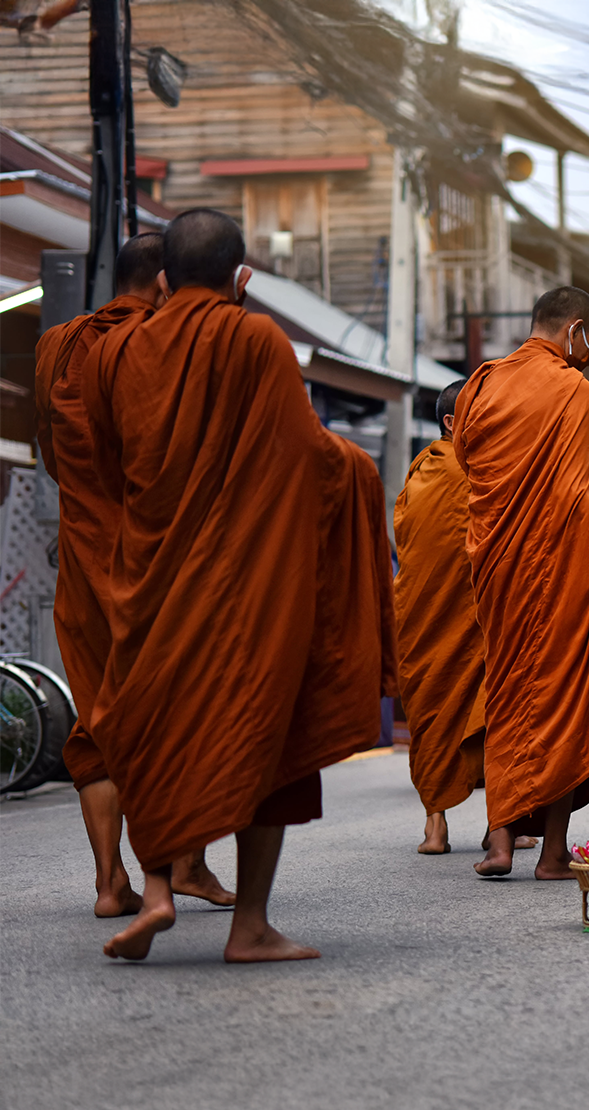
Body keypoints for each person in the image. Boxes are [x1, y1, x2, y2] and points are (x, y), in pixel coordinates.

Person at [83, 208, 397, 961]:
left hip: (148, 582)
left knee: (153, 729)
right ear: (239, 275)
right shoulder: (254, 337)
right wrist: (359, 470)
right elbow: (303, 455)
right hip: (242, 584)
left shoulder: (117, 351)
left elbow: (102, 465)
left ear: (163, 278)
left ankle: (155, 893)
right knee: (269, 741)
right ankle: (249, 927)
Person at [33, 233, 234, 918]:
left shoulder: (56, 347)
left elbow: (51, 452)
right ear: (163, 287)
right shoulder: (156, 349)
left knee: (98, 720)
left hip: (83, 566)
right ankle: (186, 864)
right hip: (152, 563)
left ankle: (109, 882)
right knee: (176, 714)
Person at [454, 285, 589, 880]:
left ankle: (498, 844)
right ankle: (550, 854)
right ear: (574, 329)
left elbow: (470, 462)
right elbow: (583, 497)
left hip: (499, 565)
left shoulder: (481, 383)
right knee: (566, 701)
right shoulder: (573, 389)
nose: (588, 356)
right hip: (562, 571)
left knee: (507, 691)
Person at [394, 380, 487, 855]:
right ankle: (501, 824)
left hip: (430, 615)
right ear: (452, 423)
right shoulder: (470, 472)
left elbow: (405, 539)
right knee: (493, 714)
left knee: (437, 714)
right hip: (461, 613)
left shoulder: (419, 475)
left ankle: (437, 825)